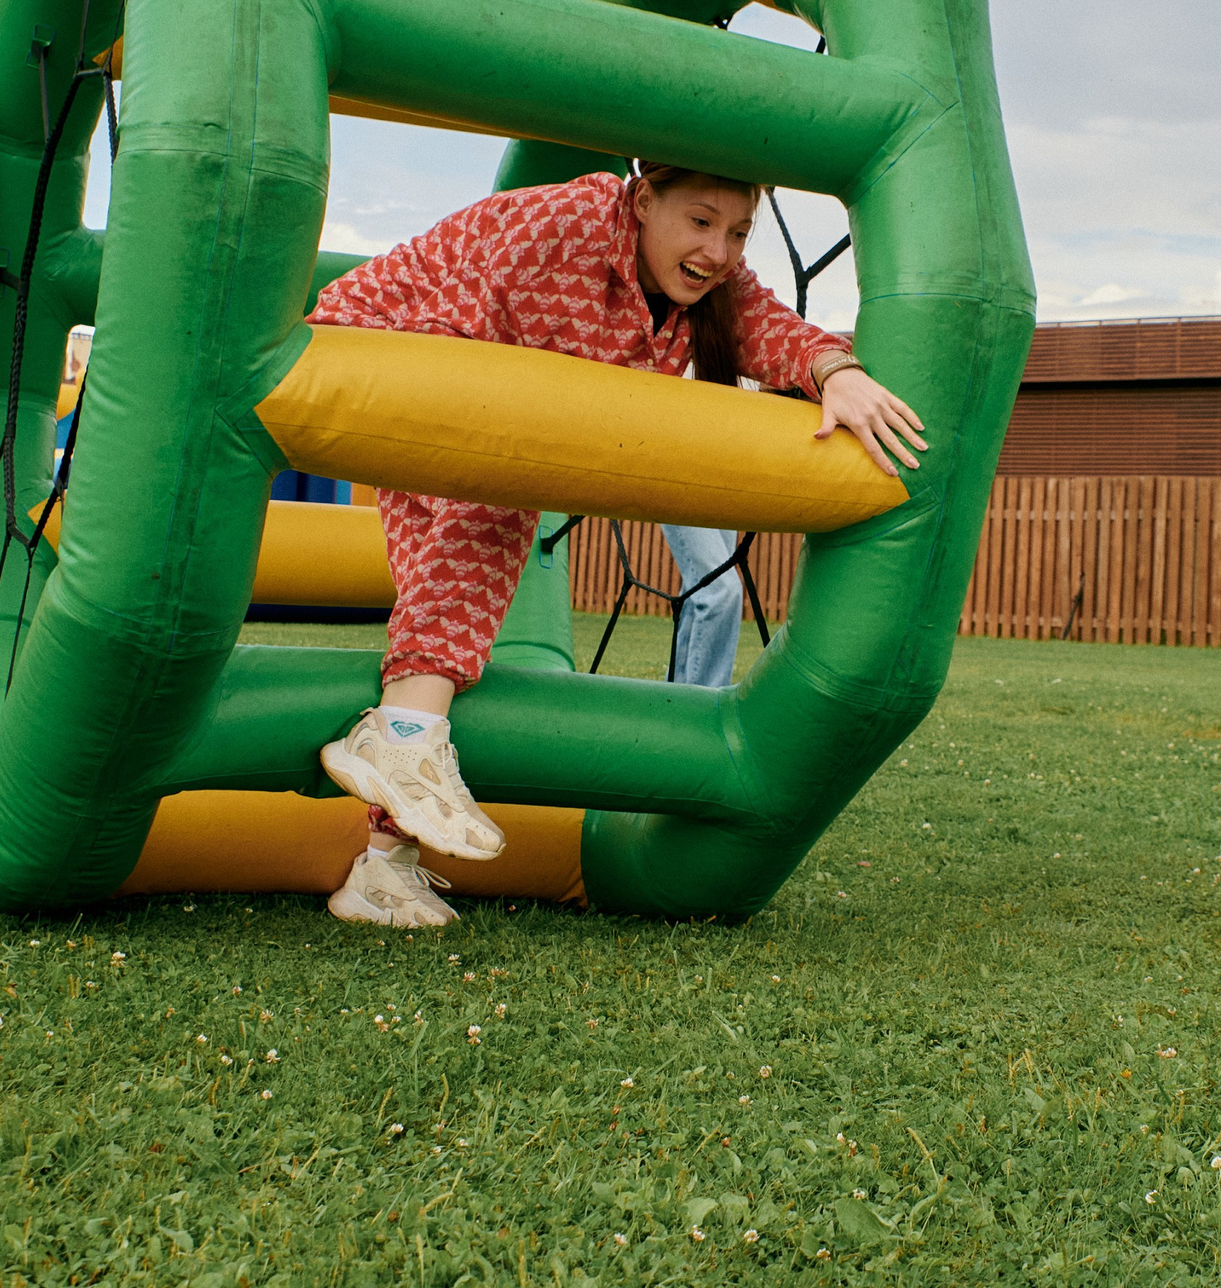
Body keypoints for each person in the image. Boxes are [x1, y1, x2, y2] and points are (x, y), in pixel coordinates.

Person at [308, 164, 926, 926]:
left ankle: (384, 861)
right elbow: (506, 369)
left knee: (449, 609)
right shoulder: (570, 227)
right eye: (701, 221)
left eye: (738, 231)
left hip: (459, 389)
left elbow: (758, 321)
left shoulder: (698, 282)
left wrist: (835, 367)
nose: (720, 249)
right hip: (375, 348)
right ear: (641, 202)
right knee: (496, 504)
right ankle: (401, 737)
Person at [660, 521, 744, 688]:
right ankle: (706, 702)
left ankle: (674, 698)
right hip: (683, 496)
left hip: (723, 499)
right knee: (722, 592)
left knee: (696, 598)